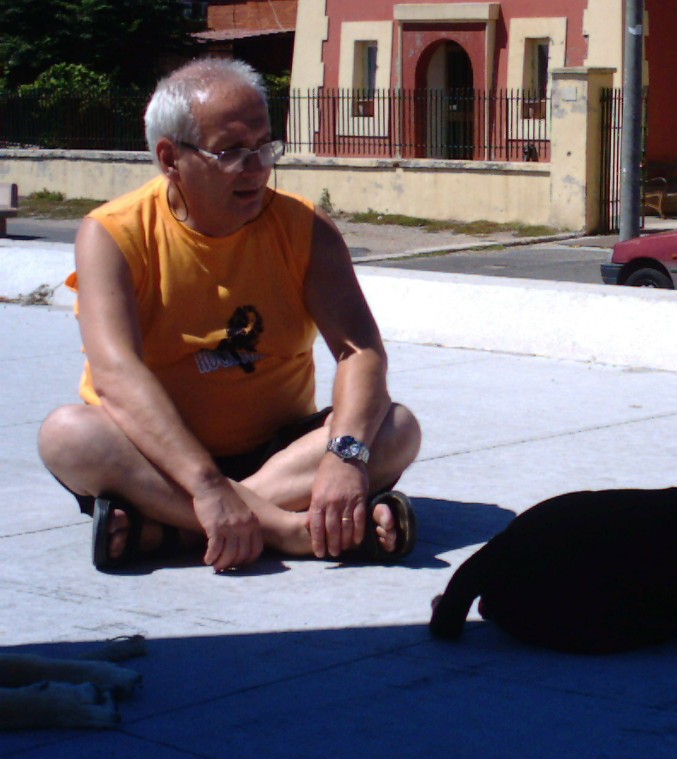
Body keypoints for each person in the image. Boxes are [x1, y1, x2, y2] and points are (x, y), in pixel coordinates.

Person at [37, 58, 422, 573]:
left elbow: (360, 352)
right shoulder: (112, 234)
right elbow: (115, 376)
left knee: (398, 428)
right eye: (232, 152)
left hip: (281, 456)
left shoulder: (304, 227)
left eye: (264, 147)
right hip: (161, 460)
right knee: (67, 434)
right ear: (170, 158)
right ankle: (291, 530)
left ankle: (169, 531)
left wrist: (344, 457)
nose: (258, 167)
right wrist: (205, 483)